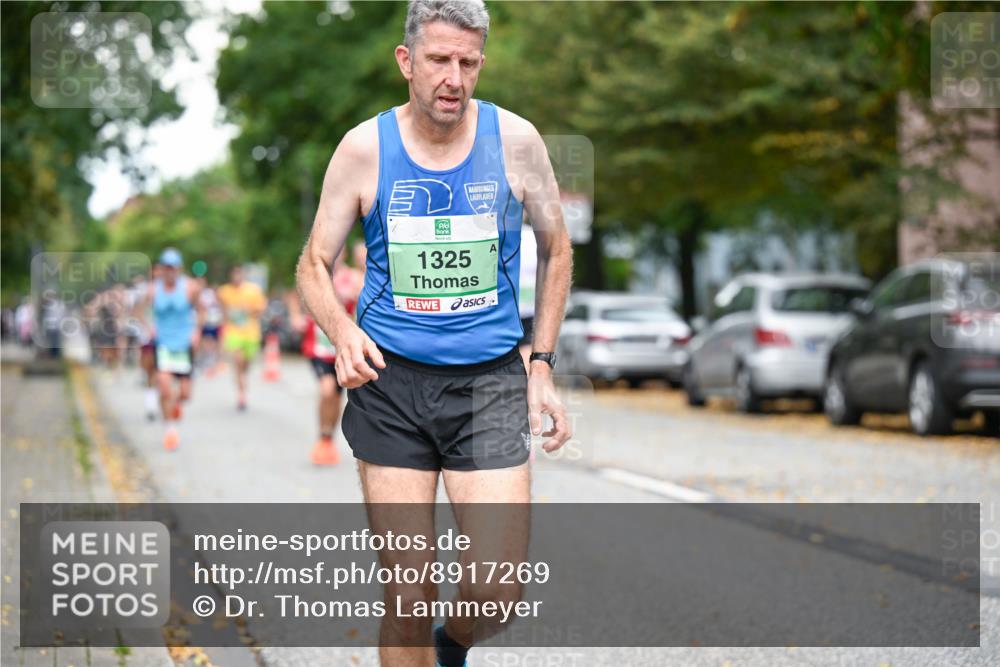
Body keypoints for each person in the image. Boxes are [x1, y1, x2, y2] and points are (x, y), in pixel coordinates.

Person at [295, 2, 573, 665]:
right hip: (391, 383)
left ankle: (454, 643)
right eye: (439, 60)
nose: (454, 78)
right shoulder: (364, 149)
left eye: (468, 63)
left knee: (497, 593)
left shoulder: (516, 141)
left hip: (490, 383)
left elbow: (557, 248)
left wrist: (541, 364)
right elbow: (312, 264)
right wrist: (342, 331)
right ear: (406, 61)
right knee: (408, 596)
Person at [290, 249, 364, 465]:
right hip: (319, 347)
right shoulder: (315, 275)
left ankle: (328, 439)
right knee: (327, 389)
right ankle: (323, 437)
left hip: (343, 348)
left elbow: (369, 297)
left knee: (337, 396)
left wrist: (356, 295)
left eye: (340, 252)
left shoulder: (353, 277)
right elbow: (295, 295)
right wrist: (295, 316)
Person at [143, 248, 202, 450]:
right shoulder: (153, 290)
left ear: (180, 269)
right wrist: (148, 327)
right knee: (164, 386)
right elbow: (139, 311)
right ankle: (169, 429)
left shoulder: (190, 287)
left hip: (184, 344)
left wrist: (197, 331)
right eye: (167, 268)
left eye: (173, 268)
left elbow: (201, 309)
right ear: (161, 269)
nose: (170, 272)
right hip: (163, 344)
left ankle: (175, 405)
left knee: (185, 394)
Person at [218, 266, 267, 411]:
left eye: (239, 274)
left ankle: (242, 377)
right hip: (233, 332)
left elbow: (260, 310)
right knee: (238, 361)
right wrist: (222, 332)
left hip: (251, 333)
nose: (237, 277)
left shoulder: (253, 291)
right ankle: (241, 394)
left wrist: (248, 310)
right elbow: (224, 312)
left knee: (246, 364)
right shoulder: (224, 291)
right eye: (234, 274)